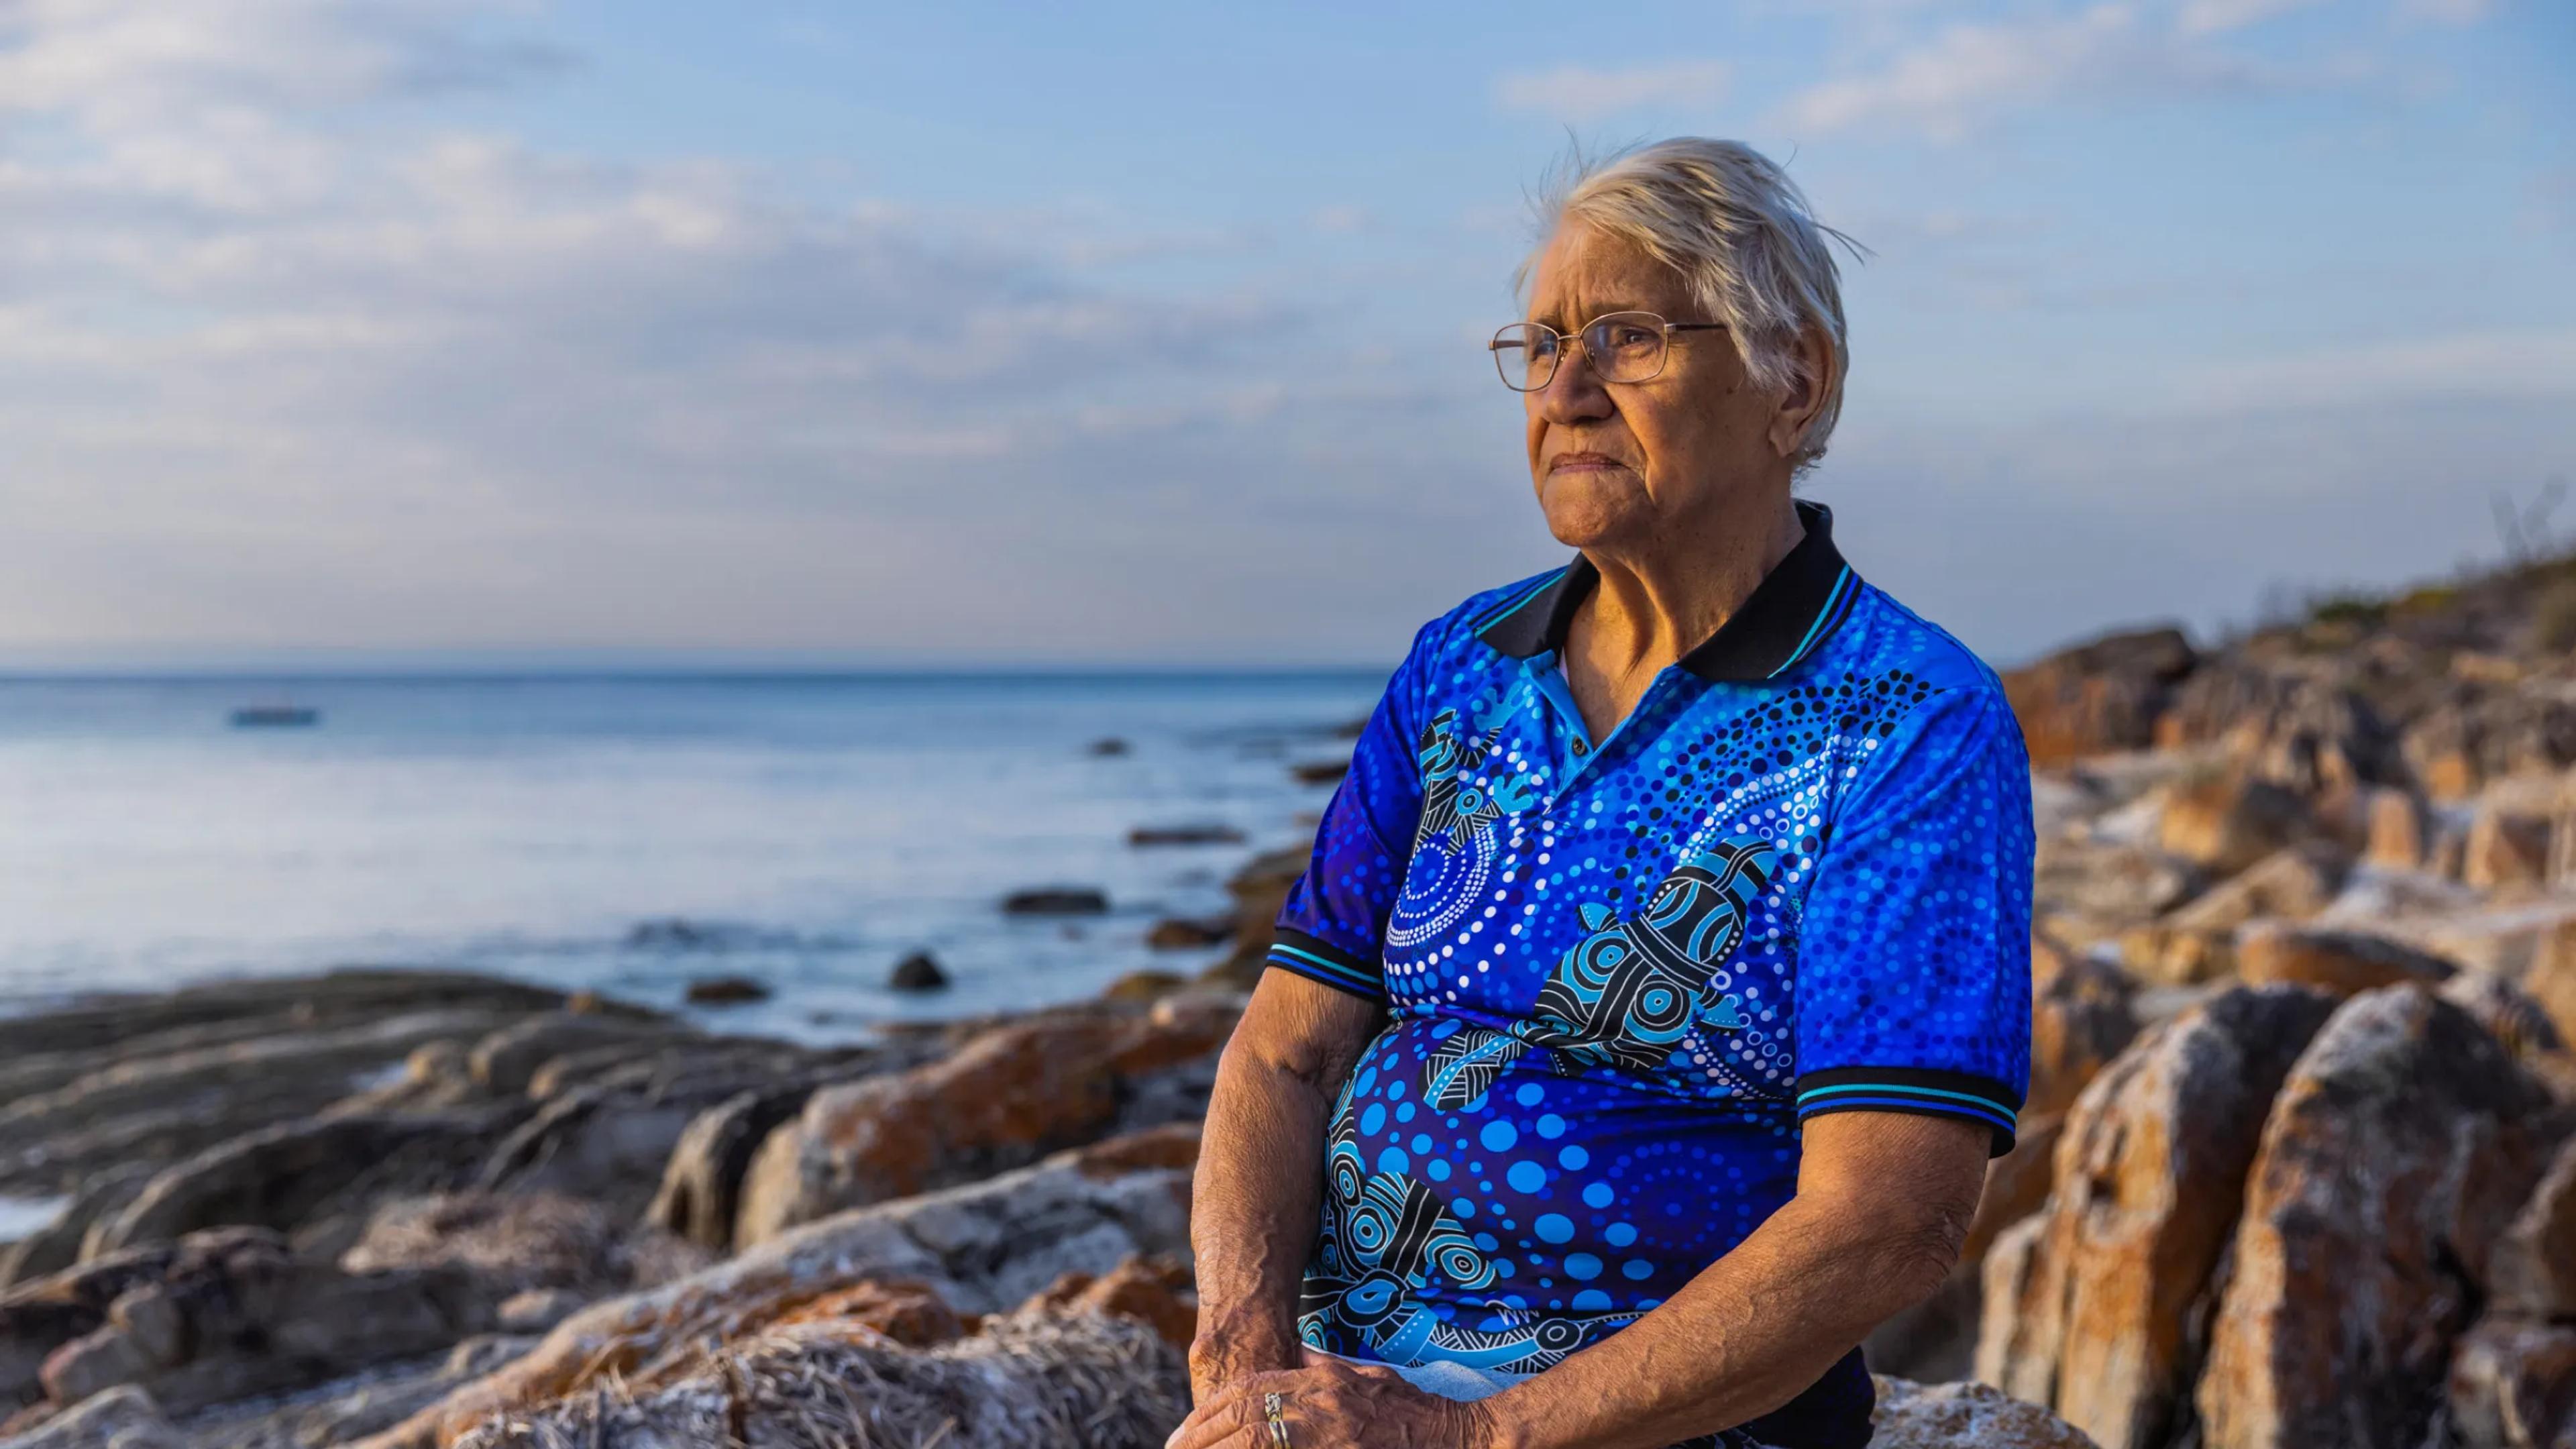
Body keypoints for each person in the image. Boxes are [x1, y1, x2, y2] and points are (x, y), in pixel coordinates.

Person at [1169, 138, 2035, 1449]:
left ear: (1792, 382)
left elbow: (1888, 1221)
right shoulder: (1460, 667)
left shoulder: (1910, 724)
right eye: (1540, 347)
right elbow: (1284, 1054)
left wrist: (1477, 1439)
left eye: (1627, 338)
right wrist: (1241, 1365)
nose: (1565, 392)